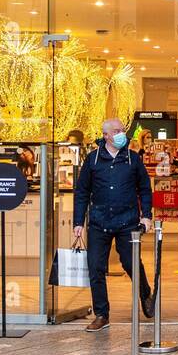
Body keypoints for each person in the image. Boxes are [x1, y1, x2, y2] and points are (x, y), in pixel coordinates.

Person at [73, 118, 155, 332]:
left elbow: (144, 189)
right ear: (106, 135)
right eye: (117, 131)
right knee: (96, 269)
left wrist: (146, 215)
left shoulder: (132, 158)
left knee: (131, 263)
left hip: (127, 222)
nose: (122, 134)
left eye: (122, 130)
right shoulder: (93, 160)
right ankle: (102, 314)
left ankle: (145, 294)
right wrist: (78, 222)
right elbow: (82, 192)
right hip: (99, 222)